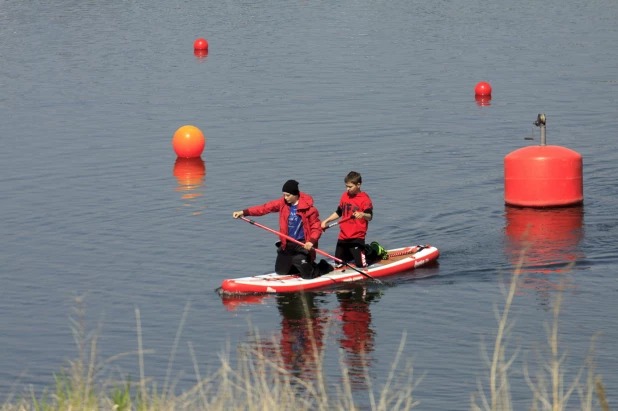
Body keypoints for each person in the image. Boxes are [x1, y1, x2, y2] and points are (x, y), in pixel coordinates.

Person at [233, 180, 323, 279]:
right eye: (284, 195)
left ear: (295, 194)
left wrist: (311, 241)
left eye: (287, 195)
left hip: (302, 244)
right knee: (281, 271)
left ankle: (320, 267)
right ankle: (301, 265)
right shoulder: (282, 204)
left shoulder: (309, 209)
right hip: (287, 243)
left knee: (305, 272)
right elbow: (264, 208)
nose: (285, 198)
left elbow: (316, 227)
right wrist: (244, 212)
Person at [320, 171, 373, 268]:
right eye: (346, 186)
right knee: (338, 263)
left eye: (350, 187)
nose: (347, 189)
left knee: (361, 265)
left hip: (357, 238)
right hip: (343, 236)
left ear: (358, 185)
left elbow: (370, 216)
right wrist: (325, 221)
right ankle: (352, 254)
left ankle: (371, 252)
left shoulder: (365, 199)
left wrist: (362, 214)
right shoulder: (345, 196)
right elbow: (339, 212)